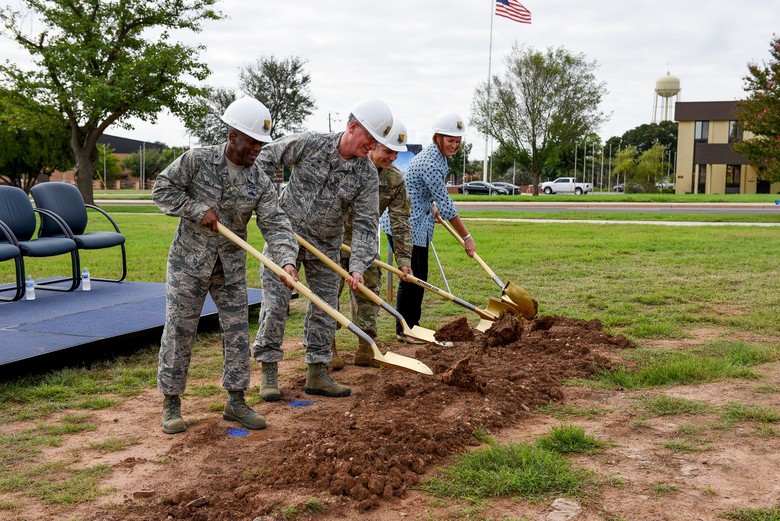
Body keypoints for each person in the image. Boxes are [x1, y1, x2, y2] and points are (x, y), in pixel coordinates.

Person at [153, 97, 299, 435]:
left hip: (230, 267)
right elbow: (162, 189)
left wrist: (287, 261)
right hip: (189, 263)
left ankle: (236, 401)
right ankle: (171, 403)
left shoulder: (260, 181)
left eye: (261, 143)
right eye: (252, 142)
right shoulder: (197, 159)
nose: (257, 150)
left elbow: (276, 224)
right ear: (233, 135)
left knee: (236, 332)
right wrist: (194, 208)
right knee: (180, 330)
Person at [252, 98, 393, 401]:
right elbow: (265, 157)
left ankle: (317, 372)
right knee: (276, 304)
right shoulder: (310, 143)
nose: (371, 148)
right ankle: (269, 373)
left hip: (327, 243)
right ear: (353, 127)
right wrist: (268, 203)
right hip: (285, 234)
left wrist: (357, 265)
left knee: (325, 307)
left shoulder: (367, 175)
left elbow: (368, 223)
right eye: (370, 140)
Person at [332, 120, 414, 368]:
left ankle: (365, 346)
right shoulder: (346, 168)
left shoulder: (395, 180)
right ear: (372, 145)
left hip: (364, 245)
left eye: (396, 153)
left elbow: (401, 222)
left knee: (369, 294)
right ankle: (326, 347)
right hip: (333, 243)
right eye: (387, 151)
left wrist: (404, 261)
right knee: (327, 296)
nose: (392, 158)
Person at [392, 111, 475, 341]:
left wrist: (432, 207)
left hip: (419, 221)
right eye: (450, 140)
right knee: (411, 278)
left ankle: (412, 325)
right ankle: (405, 329)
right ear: (438, 137)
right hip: (406, 224)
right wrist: (467, 237)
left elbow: (427, 193)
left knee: (420, 278)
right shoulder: (430, 162)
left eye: (457, 141)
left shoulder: (438, 157)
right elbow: (447, 204)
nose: (454, 145)